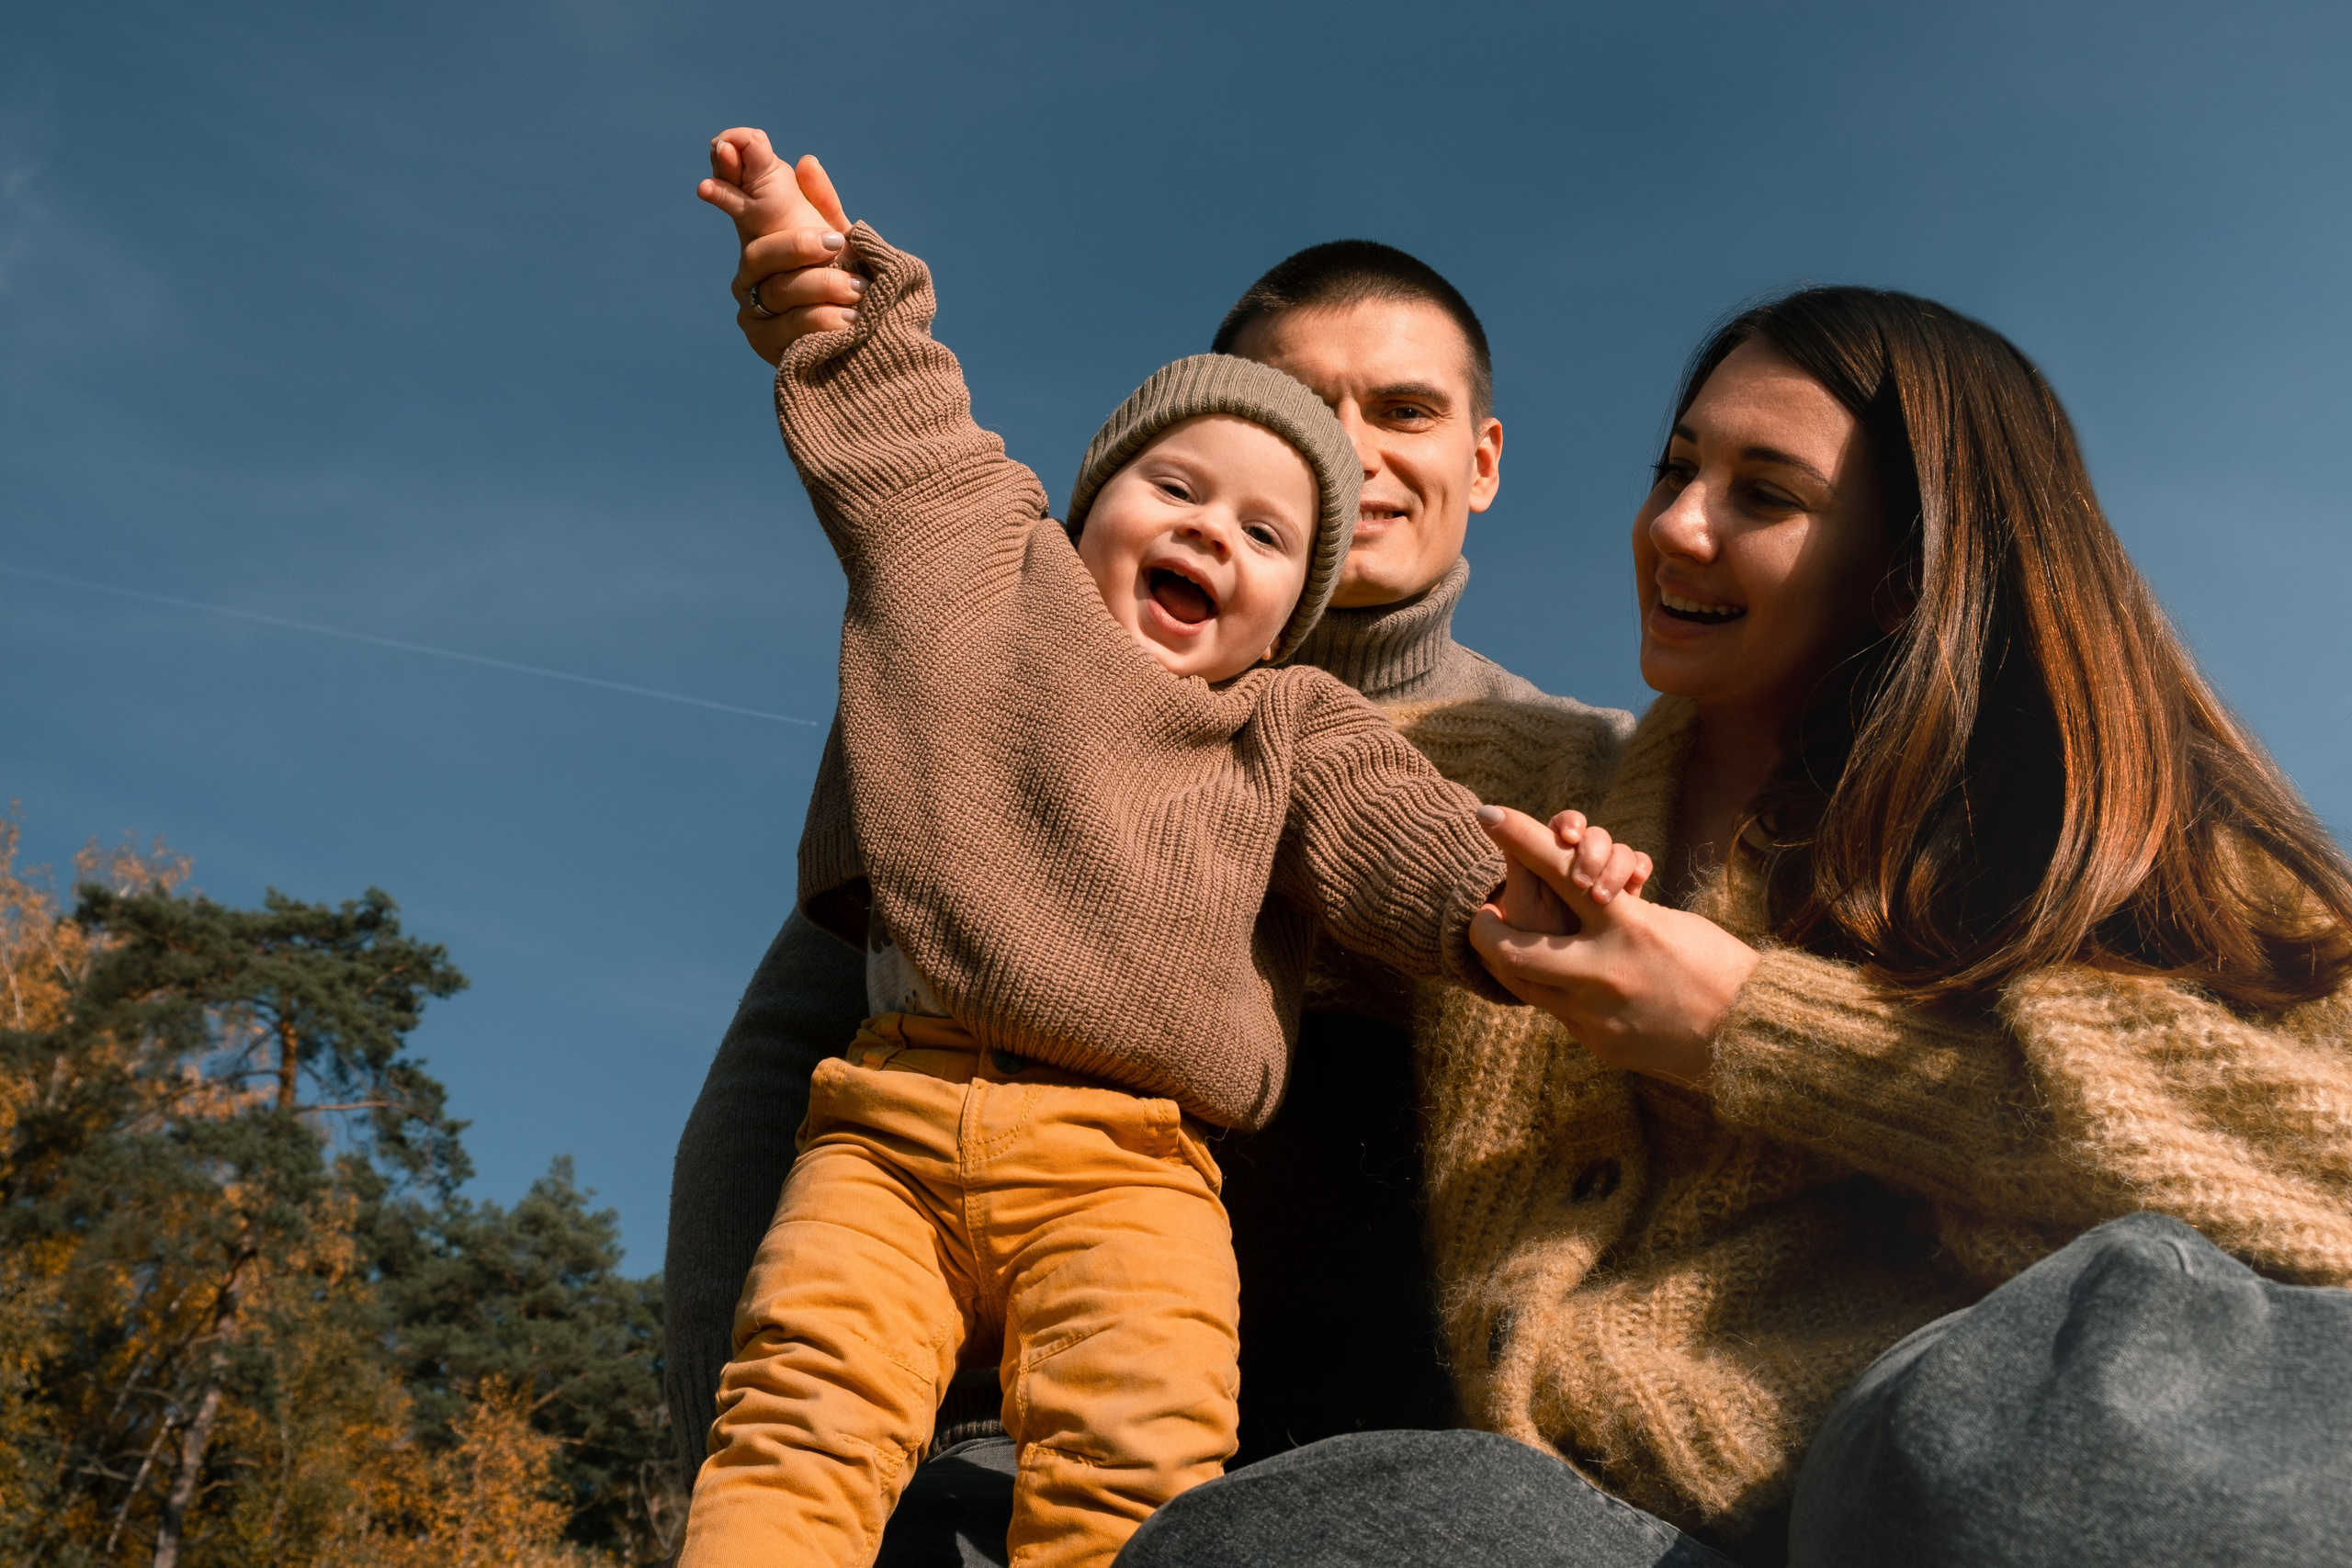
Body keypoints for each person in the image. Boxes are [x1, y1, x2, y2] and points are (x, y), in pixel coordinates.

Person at [1114, 287, 2352, 1567]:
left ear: (1910, 562)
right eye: (1674, 471)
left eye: (1765, 496)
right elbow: (1130, 772)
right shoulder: (1494, 784)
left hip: (1948, 1482)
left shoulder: (2124, 843)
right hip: (1591, 1519)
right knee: (1289, 1536)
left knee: (2005, 1446)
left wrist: (1746, 1027)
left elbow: (2322, 1177)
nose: (1675, 529)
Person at [673, 130, 1647, 1568]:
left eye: (1402, 411)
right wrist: (838, 311)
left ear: (1483, 457)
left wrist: (1529, 902)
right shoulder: (998, 669)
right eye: (1296, 408)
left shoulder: (1563, 760)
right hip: (929, 1300)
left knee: (1138, 1494)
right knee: (809, 1438)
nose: (1351, 449)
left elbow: (1442, 875)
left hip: (1366, 1410)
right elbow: (774, 1070)